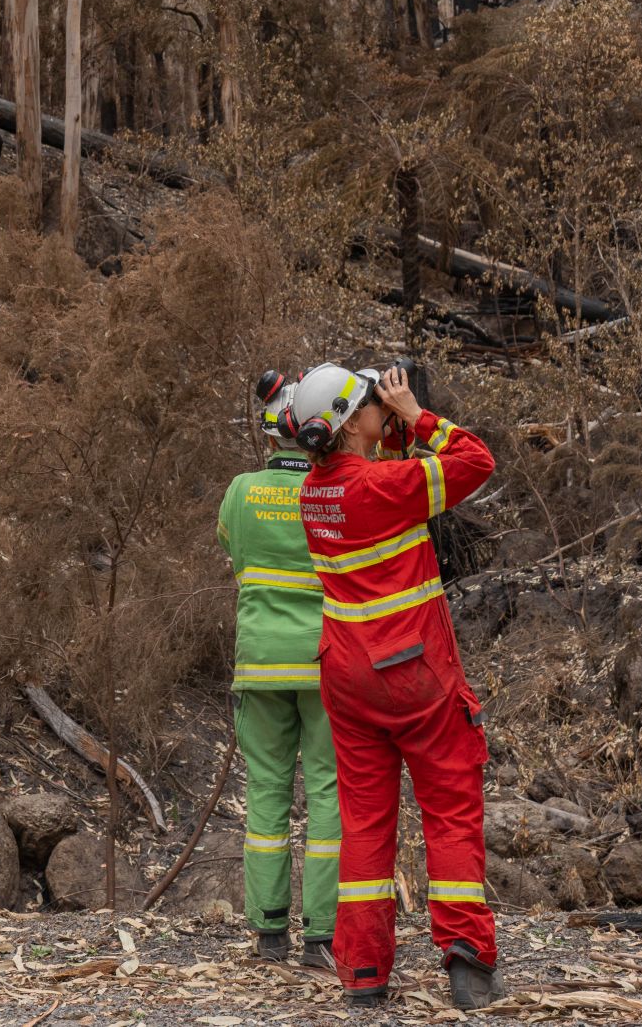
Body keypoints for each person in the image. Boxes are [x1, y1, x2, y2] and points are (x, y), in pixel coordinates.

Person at [281, 359, 500, 1013]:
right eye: (370, 401)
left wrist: (389, 424)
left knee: (367, 826)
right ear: (351, 425)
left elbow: (379, 478)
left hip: (347, 679)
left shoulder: (313, 493)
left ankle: (365, 973)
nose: (383, 404)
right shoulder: (386, 487)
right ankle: (467, 961)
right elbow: (475, 460)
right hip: (415, 675)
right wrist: (416, 415)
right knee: (451, 809)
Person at [216, 372, 341, 969]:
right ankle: (321, 935)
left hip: (259, 665)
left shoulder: (241, 491)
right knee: (326, 795)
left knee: (266, 797)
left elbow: (231, 549)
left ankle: (269, 932)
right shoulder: (330, 491)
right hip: (325, 666)